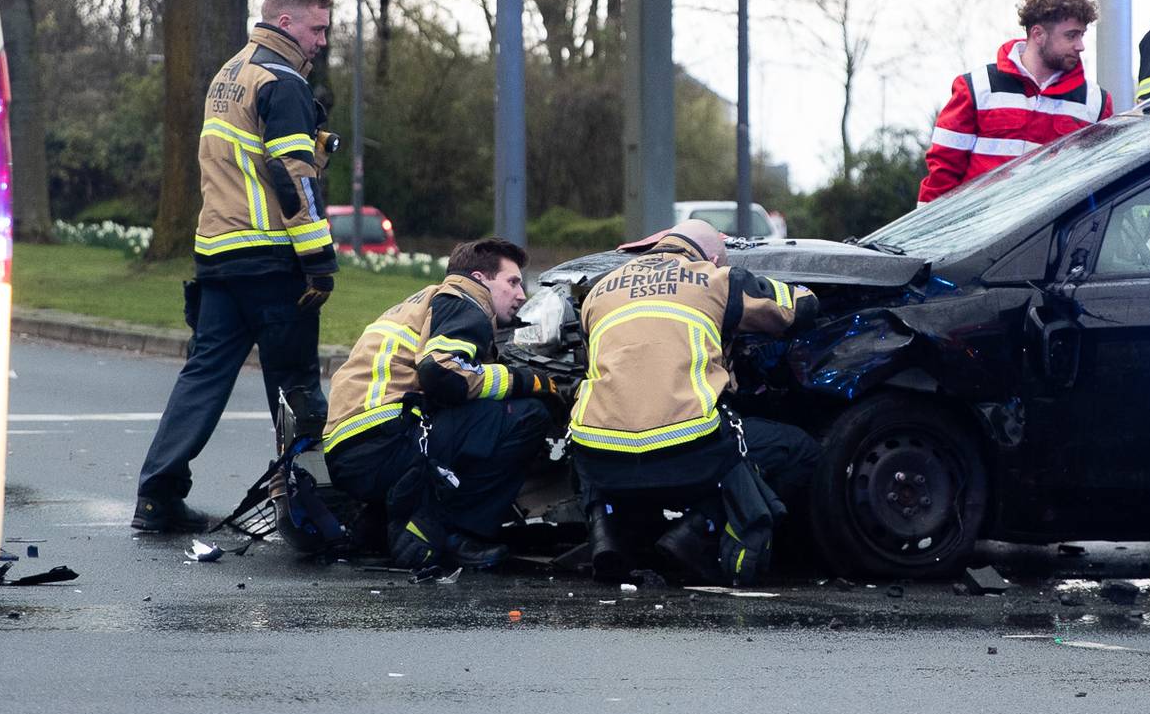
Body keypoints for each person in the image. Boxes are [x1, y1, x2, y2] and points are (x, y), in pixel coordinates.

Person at [133, 0, 342, 533]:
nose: (322, 40)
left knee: (203, 377)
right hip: (272, 258)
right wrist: (318, 257)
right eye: (317, 28)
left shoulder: (230, 74)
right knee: (295, 386)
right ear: (287, 22)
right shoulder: (284, 81)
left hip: (218, 254)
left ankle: (157, 498)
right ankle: (304, 510)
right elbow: (290, 172)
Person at [568, 220, 821, 583]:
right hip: (686, 455)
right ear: (714, 257)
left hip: (599, 458)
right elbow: (800, 307)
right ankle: (697, 529)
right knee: (798, 450)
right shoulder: (717, 278)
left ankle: (608, 537)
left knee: (598, 423)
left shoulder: (598, 290)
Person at [321, 238, 566, 571]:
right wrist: (525, 381)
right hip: (386, 443)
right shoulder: (466, 302)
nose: (522, 294)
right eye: (512, 282)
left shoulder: (424, 300)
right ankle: (453, 532)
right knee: (527, 417)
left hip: (351, 449)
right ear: (480, 278)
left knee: (473, 421)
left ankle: (387, 520)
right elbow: (440, 372)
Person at [917, 0, 1116, 204]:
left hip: (1054, 235)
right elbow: (942, 174)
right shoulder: (976, 88)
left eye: (1082, 35)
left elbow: (1099, 184)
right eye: (1071, 36)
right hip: (978, 231)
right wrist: (923, 236)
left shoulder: (1096, 102)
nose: (1080, 46)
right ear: (1038, 34)